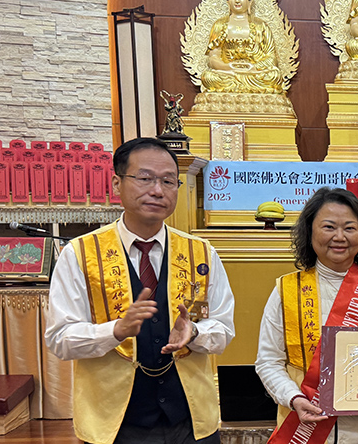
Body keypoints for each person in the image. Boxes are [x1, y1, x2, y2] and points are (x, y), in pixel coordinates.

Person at [45, 137, 236, 444]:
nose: (158, 190)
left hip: (191, 420)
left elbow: (224, 329)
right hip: (114, 423)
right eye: (145, 178)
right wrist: (115, 331)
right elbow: (60, 339)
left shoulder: (201, 253)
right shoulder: (81, 254)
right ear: (117, 184)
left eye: (168, 181)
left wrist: (196, 333)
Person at [255, 187, 358, 444]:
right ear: (310, 231)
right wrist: (294, 397)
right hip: (304, 427)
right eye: (329, 227)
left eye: (350, 228)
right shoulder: (286, 290)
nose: (339, 237)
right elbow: (268, 361)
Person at [202, 0, 283, 93]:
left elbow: (271, 58)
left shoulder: (261, 25)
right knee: (208, 77)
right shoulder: (219, 25)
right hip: (228, 73)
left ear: (250, 0)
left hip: (254, 73)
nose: (237, 0)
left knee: (274, 76)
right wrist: (228, 67)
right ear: (227, 1)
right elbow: (213, 58)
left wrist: (253, 67)